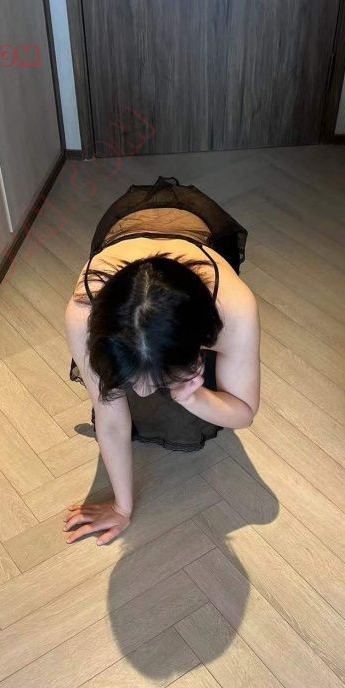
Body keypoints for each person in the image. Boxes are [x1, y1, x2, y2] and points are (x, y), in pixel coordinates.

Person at [64, 175, 260, 545]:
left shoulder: (234, 310)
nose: (140, 392)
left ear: (200, 345)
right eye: (132, 380)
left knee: (194, 407)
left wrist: (194, 396)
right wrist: (121, 507)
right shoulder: (83, 313)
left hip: (200, 226)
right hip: (124, 226)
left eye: (156, 379)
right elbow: (110, 416)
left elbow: (244, 413)